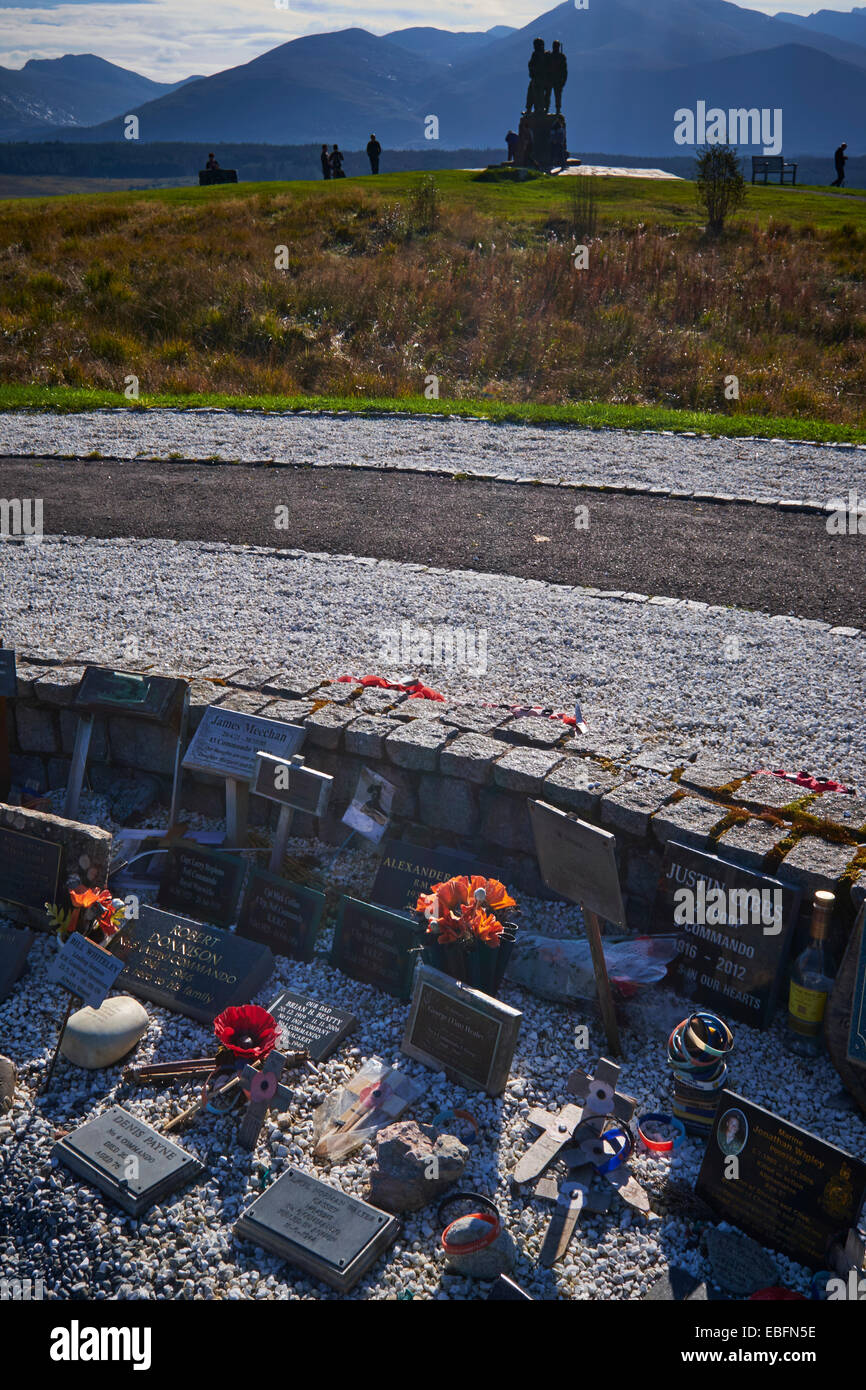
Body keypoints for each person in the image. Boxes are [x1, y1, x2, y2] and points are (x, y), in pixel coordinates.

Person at [526, 37, 548, 115]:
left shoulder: (538, 54)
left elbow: (532, 64)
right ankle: (532, 109)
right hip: (537, 78)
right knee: (532, 93)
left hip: (539, 78)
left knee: (538, 94)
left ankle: (538, 110)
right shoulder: (544, 54)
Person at [549, 40, 567, 116]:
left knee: (557, 95)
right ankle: (547, 108)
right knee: (548, 95)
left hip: (557, 79)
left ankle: (557, 109)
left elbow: (564, 70)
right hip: (550, 79)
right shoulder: (550, 56)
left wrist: (563, 81)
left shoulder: (561, 57)